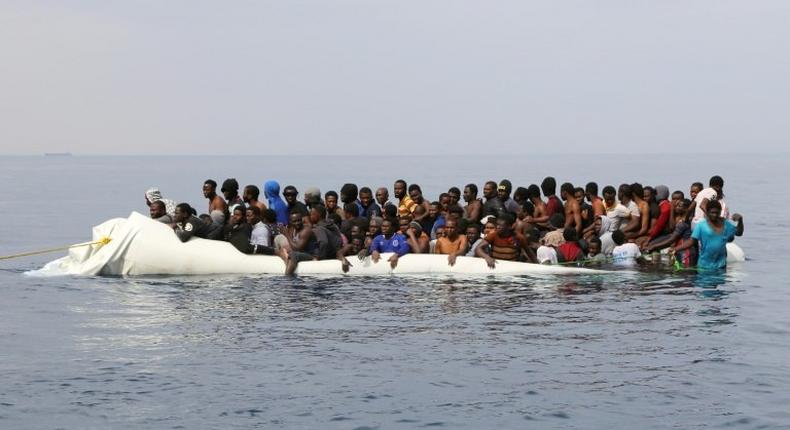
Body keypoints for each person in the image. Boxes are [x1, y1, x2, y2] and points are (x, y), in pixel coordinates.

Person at [686, 200, 744, 271]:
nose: (715, 215)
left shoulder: (726, 224)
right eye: (712, 212)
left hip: (721, 266)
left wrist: (740, 221)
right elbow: (691, 241)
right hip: (704, 266)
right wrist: (676, 249)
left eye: (717, 212)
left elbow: (739, 233)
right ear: (707, 212)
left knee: (719, 281)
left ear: (720, 212)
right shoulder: (701, 225)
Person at [644, 198, 695, 267]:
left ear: (686, 209)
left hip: (685, 252)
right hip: (682, 250)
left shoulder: (683, 223)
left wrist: (654, 246)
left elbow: (671, 239)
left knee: (685, 272)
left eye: (680, 206)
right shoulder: (684, 221)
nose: (676, 207)